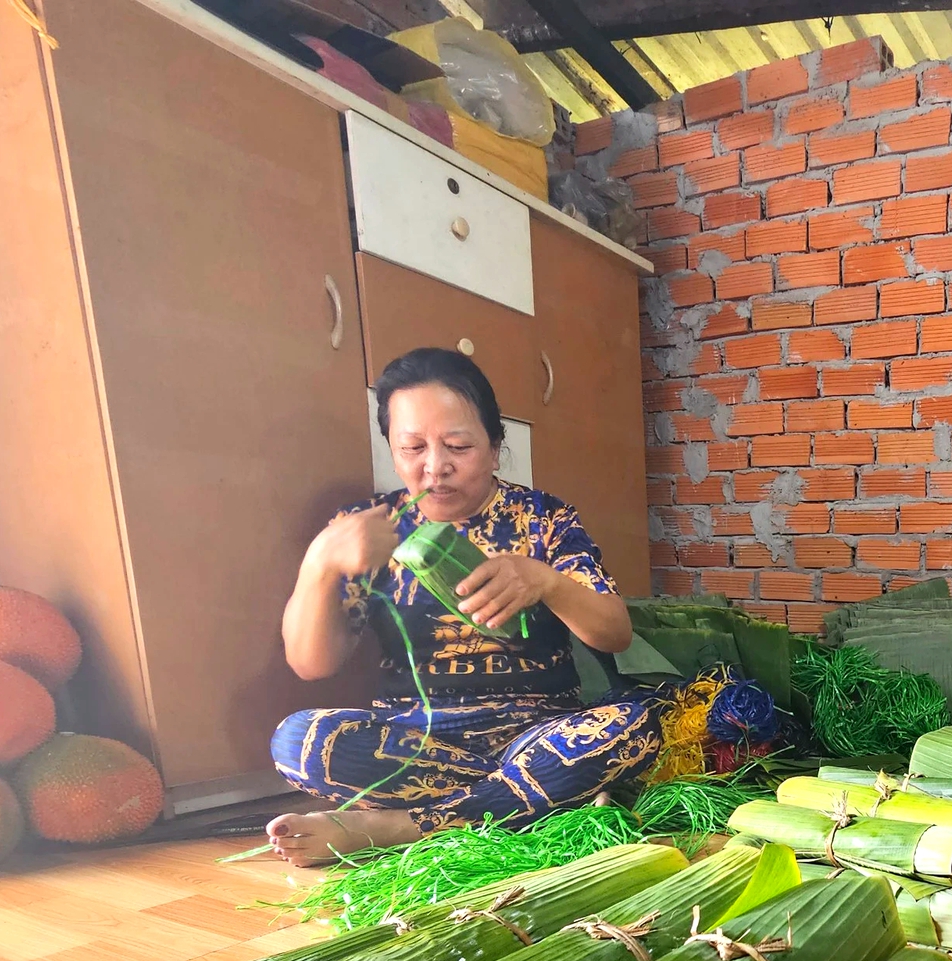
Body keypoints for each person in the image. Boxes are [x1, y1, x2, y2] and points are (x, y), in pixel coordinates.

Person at [266, 348, 659, 866]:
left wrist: (546, 582)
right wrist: (320, 563)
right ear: (391, 446)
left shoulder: (543, 519)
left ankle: (396, 827)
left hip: (536, 729)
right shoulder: (368, 527)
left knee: (635, 725)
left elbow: (615, 634)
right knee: (297, 740)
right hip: (415, 740)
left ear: (495, 447)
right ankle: (533, 797)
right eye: (411, 448)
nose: (435, 468)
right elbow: (311, 663)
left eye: (458, 446)